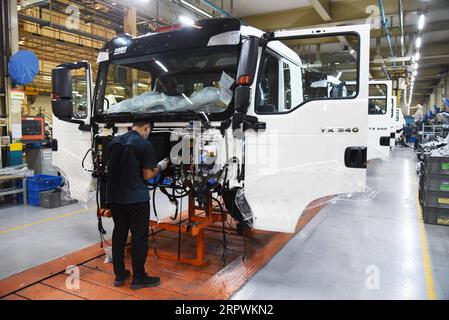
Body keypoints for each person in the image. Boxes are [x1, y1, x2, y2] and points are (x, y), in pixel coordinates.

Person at [107, 120, 169, 290]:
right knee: (139, 237)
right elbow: (148, 175)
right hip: (136, 199)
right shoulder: (144, 144)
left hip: (115, 197)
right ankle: (139, 278)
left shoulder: (114, 142)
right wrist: (160, 167)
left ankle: (120, 275)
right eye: (148, 130)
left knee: (119, 234)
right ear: (146, 128)